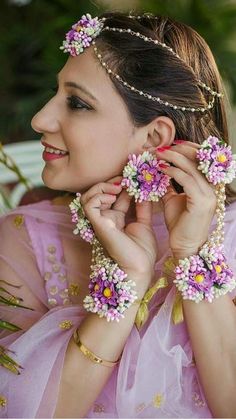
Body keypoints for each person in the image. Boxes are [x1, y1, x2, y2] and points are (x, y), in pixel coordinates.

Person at [0, 10, 236, 418]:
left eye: (76, 103)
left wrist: (194, 256)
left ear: (153, 138)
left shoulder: (230, 234)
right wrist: (126, 281)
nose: (40, 119)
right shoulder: (22, 239)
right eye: (57, 94)